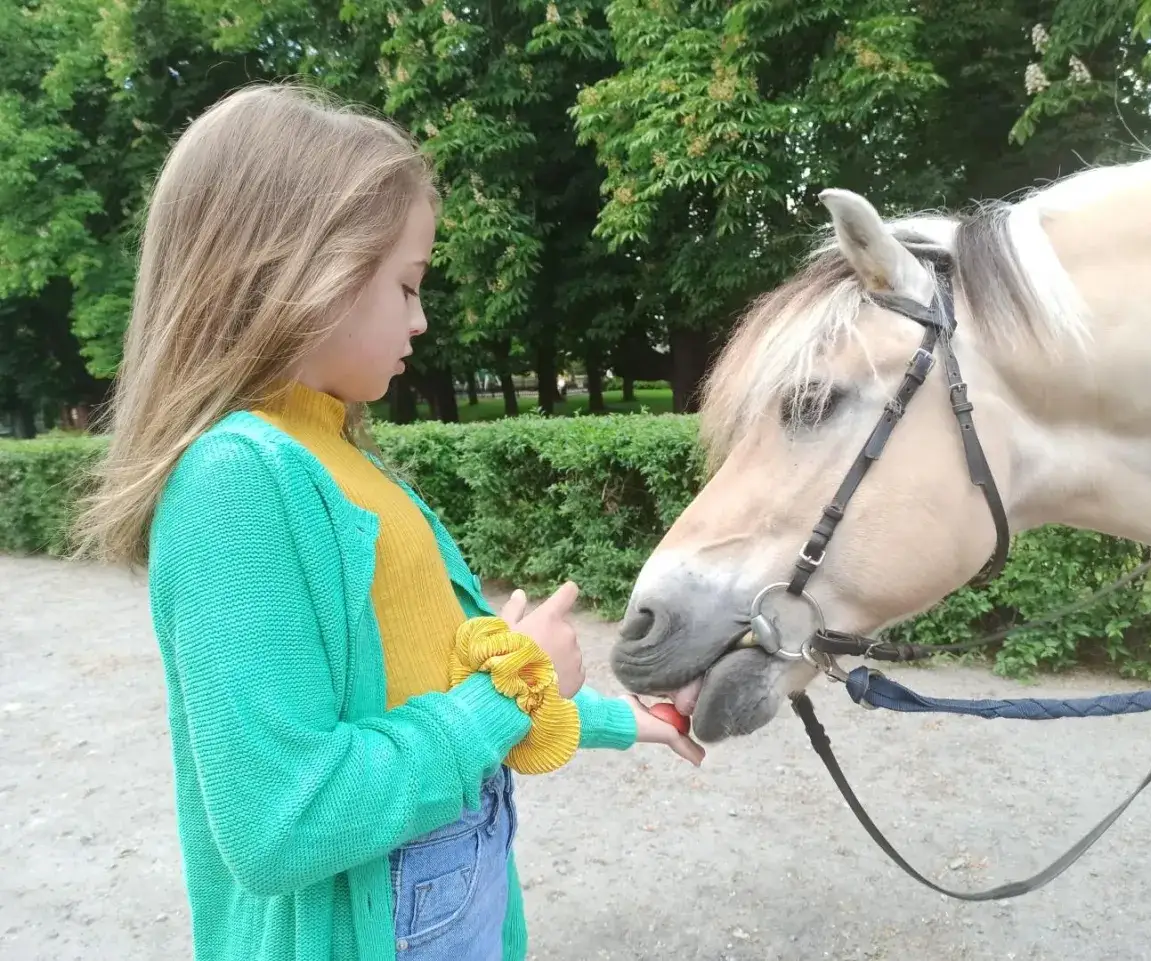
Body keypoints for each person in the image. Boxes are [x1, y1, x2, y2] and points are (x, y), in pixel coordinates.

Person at [69, 82, 703, 961]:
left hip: (447, 875)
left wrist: (632, 719)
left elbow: (431, 685)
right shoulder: (237, 482)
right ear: (302, 268)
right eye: (405, 284)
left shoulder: (343, 461)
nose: (421, 317)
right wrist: (500, 698)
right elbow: (280, 820)